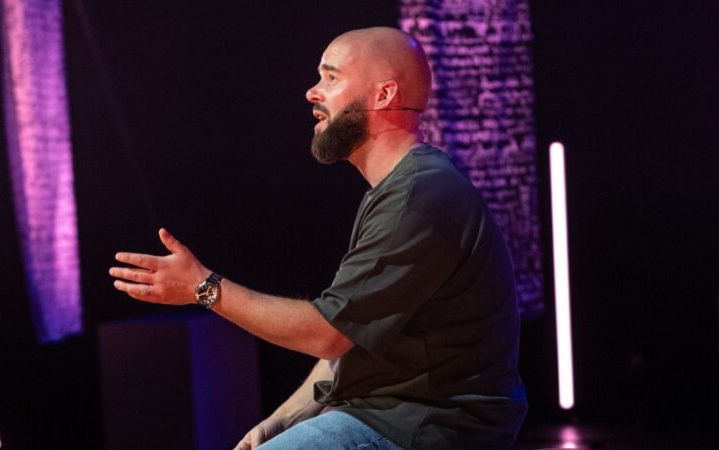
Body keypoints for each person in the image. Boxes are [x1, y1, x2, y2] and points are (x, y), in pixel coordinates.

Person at [109, 26, 527, 450]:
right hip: (388, 416)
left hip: (426, 427)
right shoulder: (401, 189)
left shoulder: (418, 195)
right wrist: (282, 420)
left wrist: (204, 288)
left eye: (331, 77)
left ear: (384, 94)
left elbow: (329, 333)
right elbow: (349, 338)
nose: (312, 92)